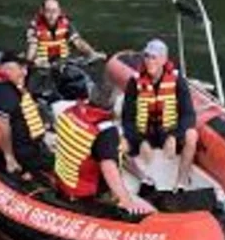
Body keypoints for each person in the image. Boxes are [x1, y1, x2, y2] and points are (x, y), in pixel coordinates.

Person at [53, 85, 155, 215]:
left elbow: (110, 153)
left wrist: (142, 176)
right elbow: (109, 169)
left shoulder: (70, 111)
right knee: (151, 212)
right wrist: (126, 201)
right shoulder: (105, 131)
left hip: (64, 180)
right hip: (87, 194)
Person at [121, 39, 199, 190]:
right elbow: (127, 119)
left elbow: (189, 115)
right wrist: (141, 140)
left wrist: (174, 136)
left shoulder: (177, 81)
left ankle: (181, 181)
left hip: (167, 131)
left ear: (163, 60)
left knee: (192, 135)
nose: (149, 61)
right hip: (144, 133)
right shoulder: (134, 82)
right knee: (118, 147)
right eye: (147, 56)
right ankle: (143, 178)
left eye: (154, 57)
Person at [0, 50, 51, 180]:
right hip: (22, 151)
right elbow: (0, 123)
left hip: (28, 143)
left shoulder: (8, 86)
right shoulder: (3, 90)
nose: (24, 73)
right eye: (21, 69)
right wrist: (9, 157)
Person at [25, 0, 100, 66]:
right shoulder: (35, 26)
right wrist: (30, 61)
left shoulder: (66, 23)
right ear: (42, 11)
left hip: (63, 61)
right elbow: (32, 47)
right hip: (43, 63)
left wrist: (92, 53)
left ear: (59, 11)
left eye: (54, 11)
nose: (51, 15)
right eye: (48, 11)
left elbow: (78, 42)